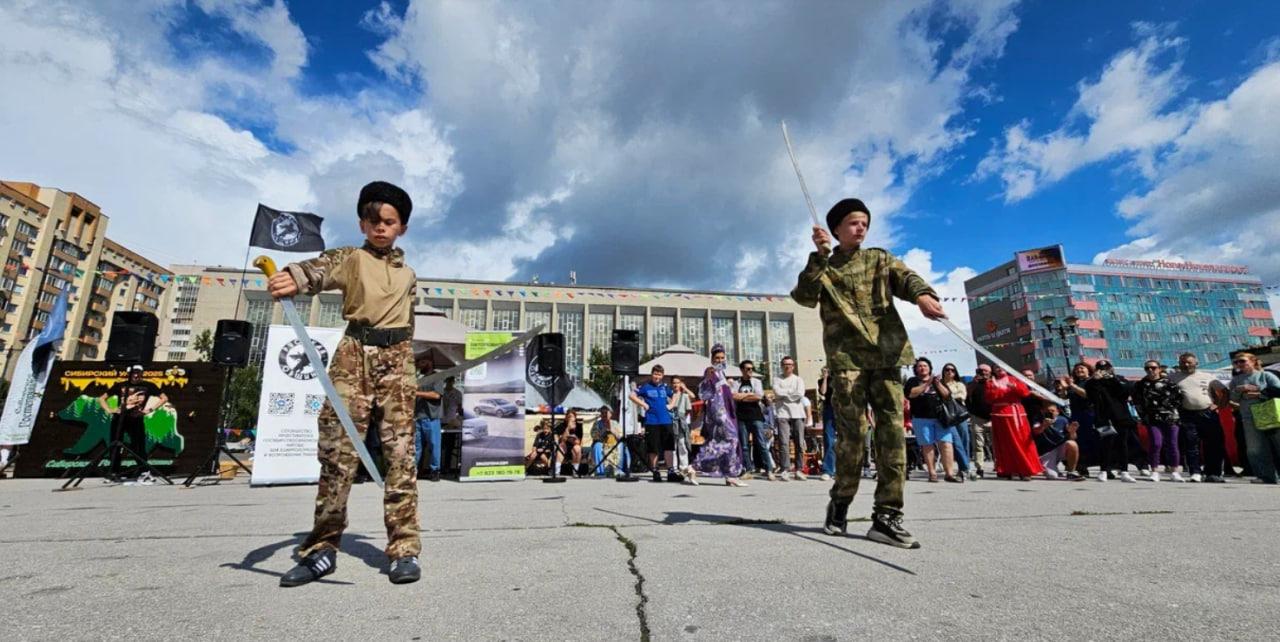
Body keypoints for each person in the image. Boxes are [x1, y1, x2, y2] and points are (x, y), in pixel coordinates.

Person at [271, 180, 421, 587]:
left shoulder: (408, 274)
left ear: (401, 227)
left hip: (397, 360)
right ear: (362, 223)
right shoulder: (352, 257)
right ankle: (321, 549)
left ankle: (404, 550)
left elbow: (408, 320)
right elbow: (320, 268)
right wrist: (294, 277)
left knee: (401, 456)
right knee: (338, 454)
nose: (380, 228)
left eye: (389, 222)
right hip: (354, 355)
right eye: (373, 220)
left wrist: (406, 371)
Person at [792, 197, 944, 549]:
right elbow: (804, 296)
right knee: (853, 437)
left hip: (887, 356)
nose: (861, 228)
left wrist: (922, 296)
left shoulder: (879, 258)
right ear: (835, 229)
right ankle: (841, 501)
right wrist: (818, 255)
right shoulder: (825, 266)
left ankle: (887, 516)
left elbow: (905, 277)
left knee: (892, 435)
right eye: (853, 223)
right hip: (847, 362)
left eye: (864, 223)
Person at [98, 365, 167, 485]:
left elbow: (164, 398)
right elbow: (102, 398)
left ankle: (143, 472)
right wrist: (109, 409)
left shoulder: (149, 386)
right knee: (115, 445)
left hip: (136, 419)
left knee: (139, 446)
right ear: (130, 374)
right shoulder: (120, 385)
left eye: (139, 373)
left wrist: (149, 410)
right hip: (119, 419)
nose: (136, 375)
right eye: (134, 373)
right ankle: (113, 472)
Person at [693, 346, 748, 487]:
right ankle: (699, 466)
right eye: (717, 358)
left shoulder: (721, 373)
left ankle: (729, 474)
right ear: (712, 359)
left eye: (722, 357)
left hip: (726, 412)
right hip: (718, 414)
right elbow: (704, 393)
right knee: (731, 439)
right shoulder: (711, 372)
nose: (720, 360)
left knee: (723, 442)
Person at [1169, 352, 1227, 483]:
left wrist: (1218, 405)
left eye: (1189, 362)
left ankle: (1213, 473)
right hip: (1187, 415)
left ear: (1196, 363)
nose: (1186, 364)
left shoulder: (1208, 376)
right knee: (1191, 445)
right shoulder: (1172, 377)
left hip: (1207, 414)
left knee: (1214, 444)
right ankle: (1195, 472)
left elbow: (1224, 391)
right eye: (1183, 362)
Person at [905, 358, 962, 483]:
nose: (922, 368)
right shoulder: (912, 381)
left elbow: (947, 395)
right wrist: (927, 383)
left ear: (930, 368)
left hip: (941, 418)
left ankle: (949, 474)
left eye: (925, 366)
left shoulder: (939, 381)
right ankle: (932, 473)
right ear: (916, 369)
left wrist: (937, 383)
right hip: (921, 418)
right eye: (920, 366)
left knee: (946, 444)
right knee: (927, 445)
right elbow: (911, 394)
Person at [1229, 352, 1280, 484]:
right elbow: (1233, 399)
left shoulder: (1265, 375)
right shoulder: (1236, 380)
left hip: (1272, 414)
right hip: (1248, 416)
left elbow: (1278, 390)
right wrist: (1238, 390)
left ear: (1253, 361)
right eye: (1236, 362)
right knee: (1255, 447)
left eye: (1242, 361)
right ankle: (1265, 476)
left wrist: (1259, 392)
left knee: (1277, 444)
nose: (1239, 364)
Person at [984, 366, 1044, 480]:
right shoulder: (991, 382)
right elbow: (989, 398)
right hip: (999, 416)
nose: (999, 369)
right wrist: (998, 389)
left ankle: (1025, 469)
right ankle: (1007, 469)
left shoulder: (1015, 379)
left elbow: (1025, 393)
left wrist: (1014, 387)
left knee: (1019, 441)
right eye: (996, 368)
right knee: (1003, 443)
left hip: (1015, 414)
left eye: (1001, 367)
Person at [1132, 360, 1185, 482]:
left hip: (1171, 417)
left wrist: (1172, 410)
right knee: (1156, 443)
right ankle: (1155, 471)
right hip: (1152, 418)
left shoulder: (1170, 383)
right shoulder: (1140, 384)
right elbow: (1137, 402)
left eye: (1153, 368)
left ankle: (1175, 471)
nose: (1150, 370)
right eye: (1147, 368)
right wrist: (1143, 416)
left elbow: (1179, 398)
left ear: (1159, 369)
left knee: (1172, 444)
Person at [1087, 360, 1137, 483]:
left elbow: (1125, 391)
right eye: (1100, 369)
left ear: (1111, 368)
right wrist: (1095, 380)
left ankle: (1124, 471)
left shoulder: (1119, 379)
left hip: (1121, 417)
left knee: (1122, 443)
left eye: (1106, 368)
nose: (1103, 371)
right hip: (1104, 417)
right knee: (1106, 443)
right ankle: (1104, 470)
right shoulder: (1093, 382)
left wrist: (1112, 378)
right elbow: (1090, 395)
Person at [632, 365, 676, 482]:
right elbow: (632, 395)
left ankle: (671, 471)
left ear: (662, 376)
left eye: (659, 374)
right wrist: (643, 404)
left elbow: (675, 394)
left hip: (666, 420)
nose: (657, 376)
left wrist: (671, 405)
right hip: (652, 421)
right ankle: (655, 471)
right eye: (655, 374)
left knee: (669, 447)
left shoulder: (664, 387)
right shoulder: (645, 387)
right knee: (653, 448)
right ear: (652, 374)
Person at [773, 356, 809, 480]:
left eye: (789, 364)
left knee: (799, 442)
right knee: (783, 442)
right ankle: (785, 469)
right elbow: (777, 392)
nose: (787, 366)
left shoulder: (798, 379)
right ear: (781, 366)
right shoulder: (777, 379)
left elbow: (800, 394)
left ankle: (799, 469)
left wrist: (784, 395)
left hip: (798, 413)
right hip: (782, 413)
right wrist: (789, 393)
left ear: (793, 366)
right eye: (785, 364)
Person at [733, 360, 769, 479]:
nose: (750, 371)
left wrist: (742, 397)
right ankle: (748, 470)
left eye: (752, 369)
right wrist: (749, 396)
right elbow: (733, 396)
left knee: (761, 443)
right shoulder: (736, 383)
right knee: (744, 445)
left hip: (755, 416)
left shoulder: (757, 382)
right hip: (742, 416)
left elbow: (758, 396)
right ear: (742, 370)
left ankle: (769, 469)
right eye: (748, 369)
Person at [1060, 363, 1097, 477]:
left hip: (1089, 413)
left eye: (1082, 368)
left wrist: (1072, 385)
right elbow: (1064, 397)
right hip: (1076, 414)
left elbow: (1087, 395)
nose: (1079, 370)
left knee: (1092, 440)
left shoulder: (1092, 382)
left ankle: (1106, 467)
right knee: (1078, 440)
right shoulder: (1074, 383)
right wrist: (1064, 387)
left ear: (1088, 370)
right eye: (1077, 369)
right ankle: (1081, 467)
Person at [940, 363, 974, 481]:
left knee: (965, 440)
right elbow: (941, 397)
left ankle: (963, 468)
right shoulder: (940, 384)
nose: (950, 372)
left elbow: (962, 396)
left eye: (952, 370)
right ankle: (965, 467)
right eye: (947, 370)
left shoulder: (959, 384)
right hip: (948, 416)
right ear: (943, 371)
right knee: (956, 441)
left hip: (960, 415)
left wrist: (948, 395)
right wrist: (951, 395)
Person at [412, 354, 443, 482]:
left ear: (429, 362)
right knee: (416, 446)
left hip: (431, 418)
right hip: (418, 417)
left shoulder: (437, 377)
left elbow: (436, 395)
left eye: (422, 362)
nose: (419, 364)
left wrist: (417, 393)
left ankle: (435, 470)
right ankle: (414, 470)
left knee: (434, 445)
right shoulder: (420, 378)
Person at [1033, 401, 1082, 480]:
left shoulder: (1063, 420)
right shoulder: (1038, 419)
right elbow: (1035, 431)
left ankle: (1071, 472)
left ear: (1058, 412)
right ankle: (1046, 467)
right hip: (1046, 452)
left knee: (1072, 444)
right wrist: (1044, 426)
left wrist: (1072, 431)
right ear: (1042, 411)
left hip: (1059, 448)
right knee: (1052, 476)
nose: (1050, 413)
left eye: (1052, 411)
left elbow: (1073, 438)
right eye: (1047, 411)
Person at [668, 377, 698, 485]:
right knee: (672, 447)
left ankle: (684, 467)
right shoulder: (669, 395)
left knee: (682, 445)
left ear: (681, 384)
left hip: (681, 423)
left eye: (678, 383)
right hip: (670, 422)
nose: (675, 385)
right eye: (674, 383)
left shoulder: (684, 396)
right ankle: (674, 468)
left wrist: (682, 420)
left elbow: (689, 408)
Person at [966, 364, 994, 477]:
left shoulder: (995, 383)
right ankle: (980, 467)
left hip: (993, 416)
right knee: (978, 443)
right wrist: (974, 384)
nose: (983, 373)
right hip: (977, 417)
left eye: (985, 371)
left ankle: (999, 465)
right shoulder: (972, 384)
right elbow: (966, 397)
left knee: (995, 443)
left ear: (990, 372)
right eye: (980, 371)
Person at [816, 367, 837, 481]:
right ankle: (828, 470)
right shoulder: (823, 380)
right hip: (829, 408)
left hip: (843, 408)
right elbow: (823, 392)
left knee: (845, 440)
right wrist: (825, 378)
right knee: (829, 439)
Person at [554, 410, 584, 476]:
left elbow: (578, 442)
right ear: (566, 418)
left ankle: (575, 471)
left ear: (575, 418)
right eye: (569, 416)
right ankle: (557, 471)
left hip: (574, 447)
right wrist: (568, 428)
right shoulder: (562, 426)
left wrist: (573, 439)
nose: (571, 418)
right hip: (564, 447)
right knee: (561, 446)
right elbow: (562, 440)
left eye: (572, 416)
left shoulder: (579, 426)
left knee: (577, 448)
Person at [590, 406, 619, 477]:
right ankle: (600, 471)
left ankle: (618, 470)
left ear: (610, 414)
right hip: (602, 444)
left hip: (614, 445)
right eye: (602, 413)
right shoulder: (597, 424)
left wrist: (613, 431)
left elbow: (620, 437)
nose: (604, 414)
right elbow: (594, 436)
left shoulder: (615, 423)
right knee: (597, 446)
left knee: (623, 446)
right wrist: (604, 431)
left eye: (606, 413)